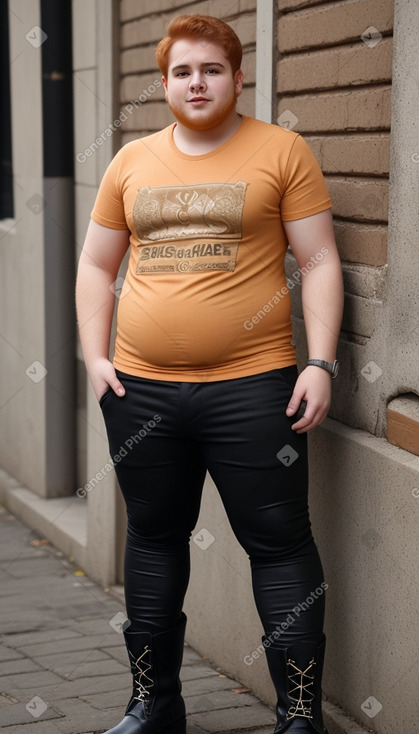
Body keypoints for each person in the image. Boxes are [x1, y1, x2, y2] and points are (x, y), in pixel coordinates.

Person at [75, 14, 343, 734]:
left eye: (212, 69)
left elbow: (318, 261)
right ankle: (152, 704)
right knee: (154, 539)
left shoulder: (281, 150)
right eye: (183, 71)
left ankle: (297, 715)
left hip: (255, 388)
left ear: (237, 75)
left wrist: (319, 361)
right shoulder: (130, 161)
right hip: (140, 392)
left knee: (280, 542)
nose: (197, 82)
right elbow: (98, 265)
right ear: (163, 83)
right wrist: (96, 360)